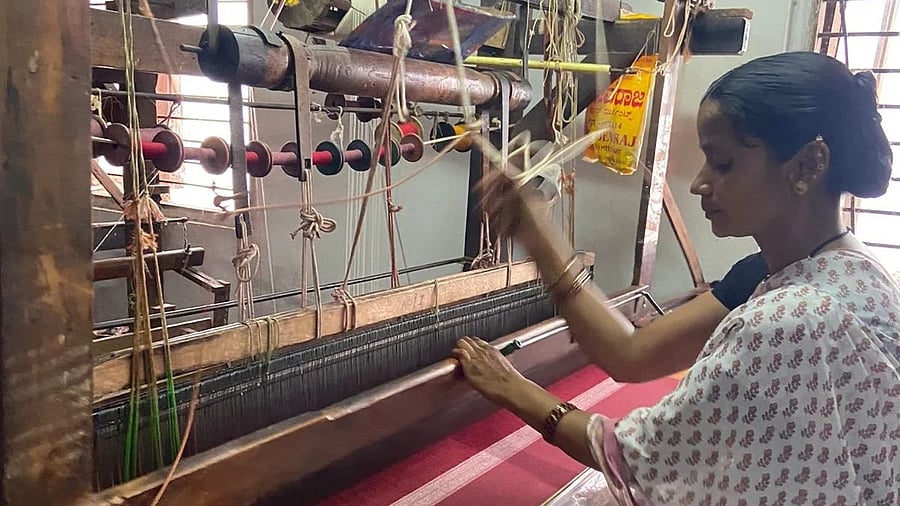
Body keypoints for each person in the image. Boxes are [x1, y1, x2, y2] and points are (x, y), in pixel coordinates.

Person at [452, 51, 900, 505]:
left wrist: (513, 388)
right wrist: (536, 233)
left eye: (723, 164)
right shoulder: (856, 272)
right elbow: (631, 355)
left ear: (807, 166)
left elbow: (637, 457)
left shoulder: (786, 322)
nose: (699, 183)